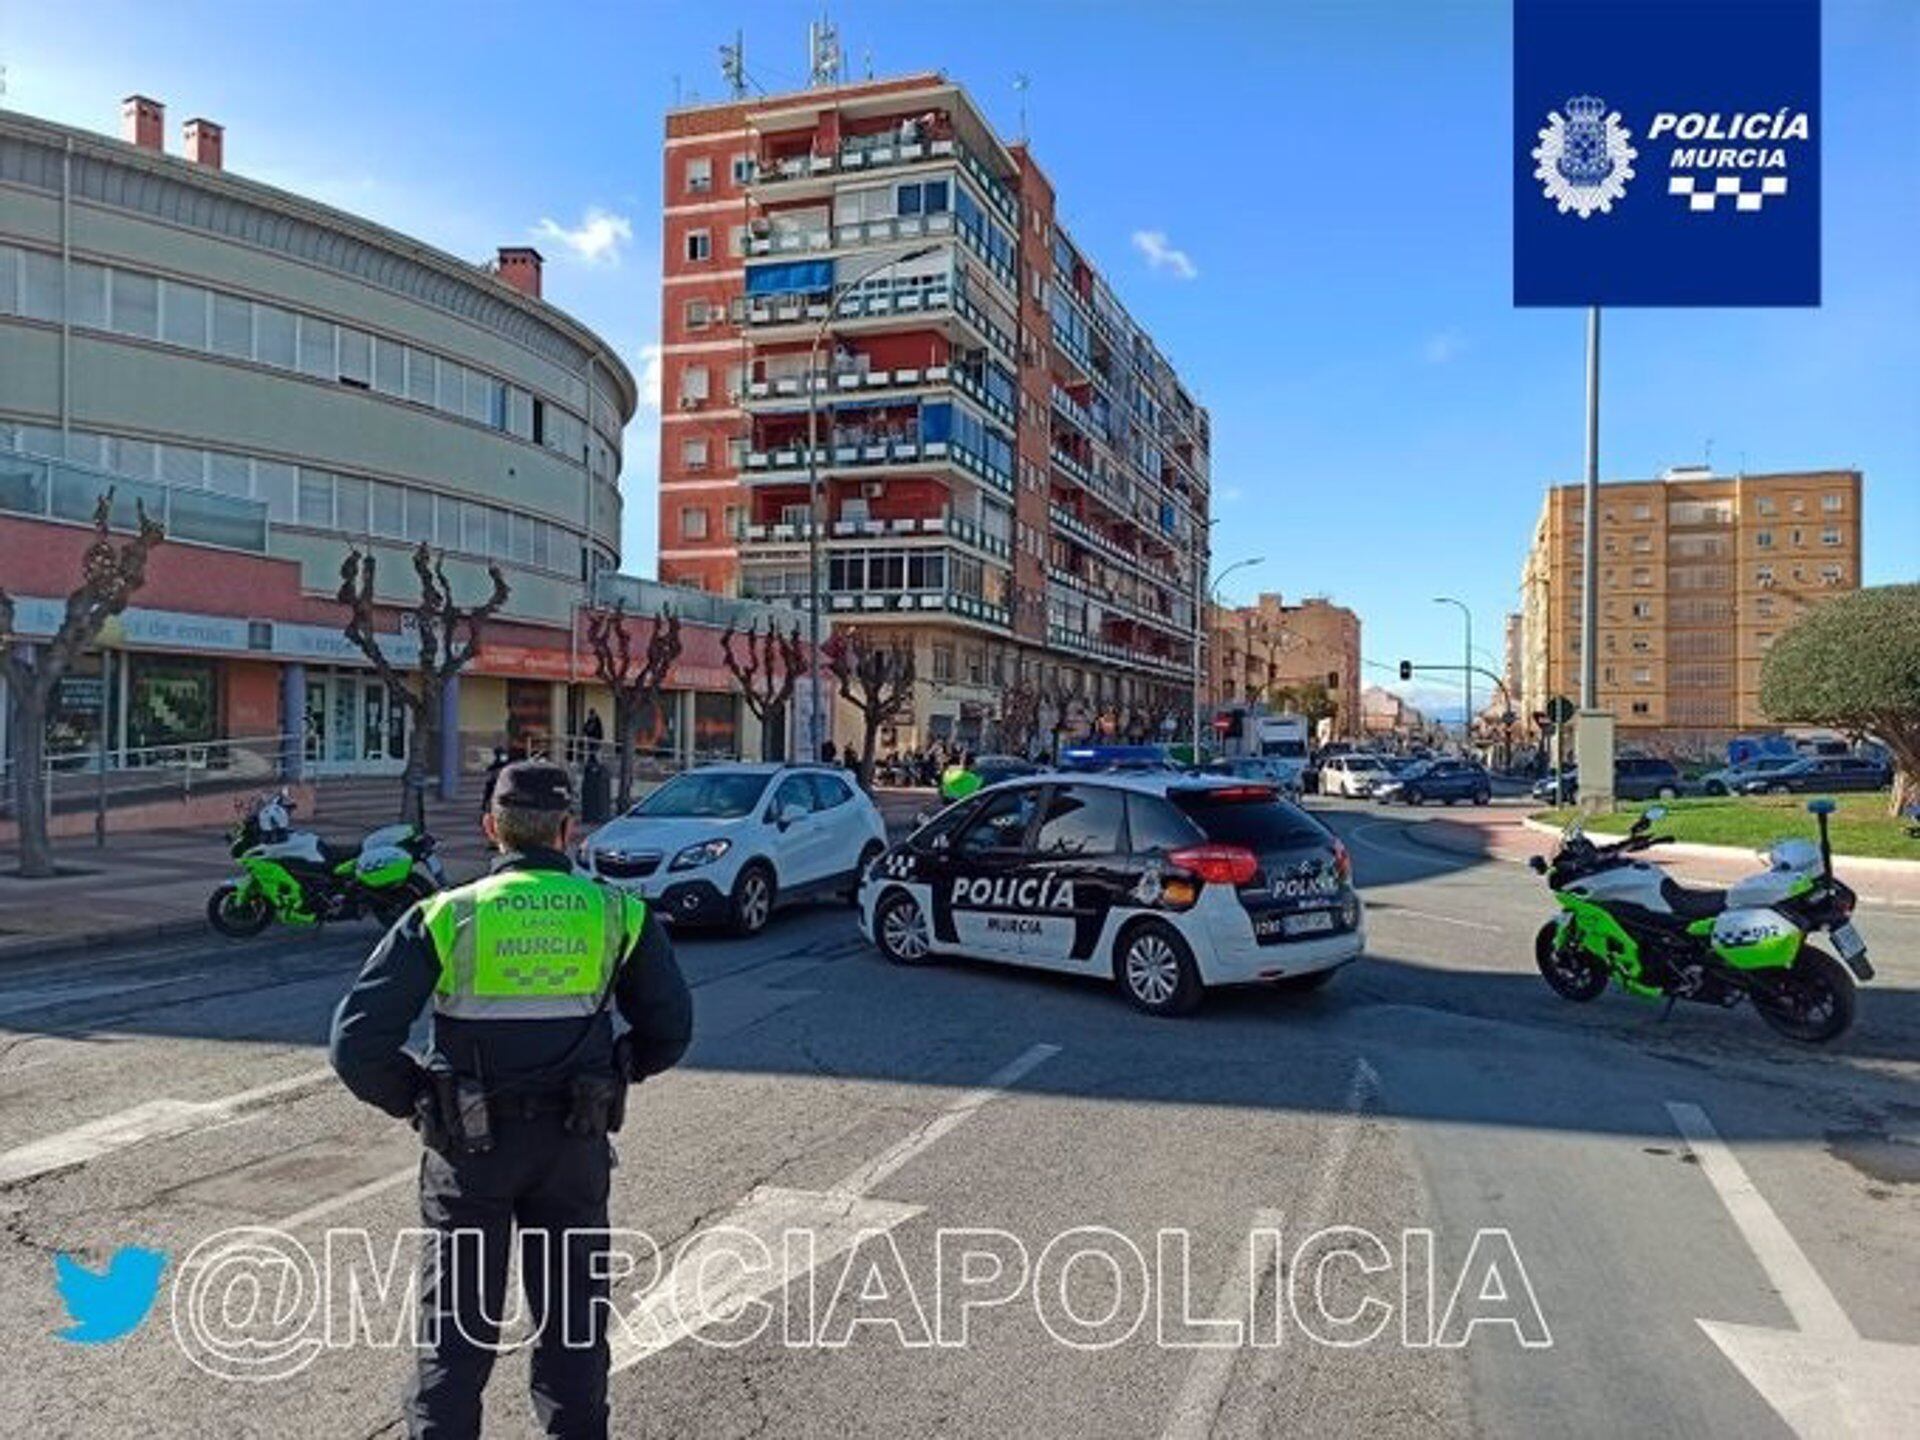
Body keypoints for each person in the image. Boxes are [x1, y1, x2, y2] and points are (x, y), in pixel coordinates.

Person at [329, 760, 693, 1440]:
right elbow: (670, 1032)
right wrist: (616, 1072)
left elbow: (356, 1046)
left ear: (492, 829)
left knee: (456, 1338)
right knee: (572, 1330)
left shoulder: (444, 915)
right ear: (567, 829)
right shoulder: (619, 913)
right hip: (572, 1147)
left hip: (468, 1152)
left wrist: (421, 1100)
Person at [478, 746, 510, 816]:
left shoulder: (505, 760)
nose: (503, 756)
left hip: (503, 781)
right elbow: (492, 767)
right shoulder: (497, 761)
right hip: (496, 781)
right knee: (489, 788)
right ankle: (486, 807)